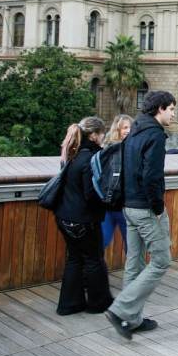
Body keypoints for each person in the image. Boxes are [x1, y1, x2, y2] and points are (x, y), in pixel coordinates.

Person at [106, 91, 176, 340]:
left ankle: (131, 320)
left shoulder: (134, 130)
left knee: (134, 263)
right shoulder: (155, 135)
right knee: (161, 260)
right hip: (146, 209)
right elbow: (152, 176)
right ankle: (121, 310)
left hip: (128, 206)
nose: (173, 114)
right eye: (171, 109)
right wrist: (157, 208)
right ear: (160, 109)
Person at [54, 116, 113, 315]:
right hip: (84, 220)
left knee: (74, 259)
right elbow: (91, 193)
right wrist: (108, 201)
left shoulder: (72, 154)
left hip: (64, 217)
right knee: (94, 259)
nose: (103, 138)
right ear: (95, 135)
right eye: (102, 134)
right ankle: (98, 303)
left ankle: (69, 305)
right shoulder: (91, 158)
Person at [101, 114, 132, 251]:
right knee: (103, 240)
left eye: (130, 127)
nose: (128, 130)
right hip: (108, 204)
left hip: (125, 205)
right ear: (117, 130)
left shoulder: (133, 149)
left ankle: (133, 273)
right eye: (125, 127)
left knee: (131, 246)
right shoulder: (108, 149)